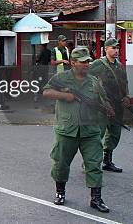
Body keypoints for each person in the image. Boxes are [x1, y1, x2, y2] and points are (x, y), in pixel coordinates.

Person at [42, 47, 112, 213]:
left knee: (94, 164)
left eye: (88, 61)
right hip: (67, 129)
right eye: (83, 61)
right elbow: (46, 91)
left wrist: (109, 108)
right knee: (61, 163)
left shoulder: (94, 81)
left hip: (90, 130)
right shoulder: (61, 78)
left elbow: (103, 99)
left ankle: (96, 198)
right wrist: (65, 96)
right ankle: (60, 192)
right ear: (73, 63)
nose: (87, 64)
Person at [89, 38, 130, 173]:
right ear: (105, 49)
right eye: (113, 48)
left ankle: (107, 161)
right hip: (102, 106)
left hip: (117, 105)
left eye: (117, 48)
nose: (116, 50)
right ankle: (90, 163)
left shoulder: (120, 65)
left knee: (114, 134)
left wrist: (126, 96)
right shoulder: (97, 64)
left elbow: (125, 83)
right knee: (98, 134)